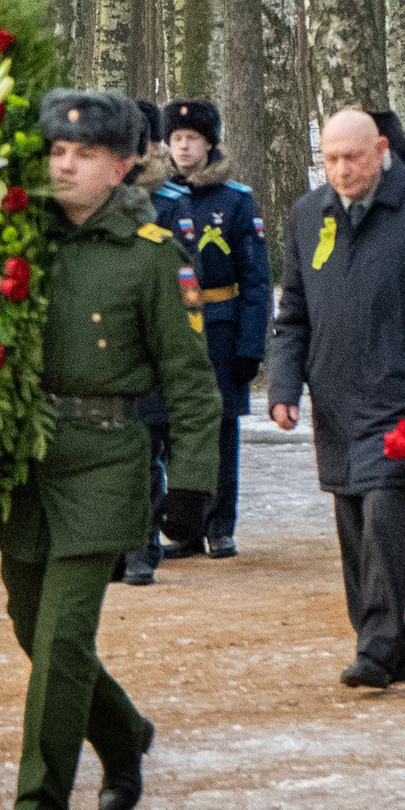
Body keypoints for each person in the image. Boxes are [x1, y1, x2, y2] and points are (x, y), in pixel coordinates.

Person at [0, 90, 222, 810]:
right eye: (56, 151)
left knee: (61, 638)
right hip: (27, 456)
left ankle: (39, 808)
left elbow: (191, 381)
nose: (64, 163)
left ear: (121, 166)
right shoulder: (19, 240)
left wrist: (192, 482)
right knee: (31, 624)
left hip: (105, 456)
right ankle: (123, 733)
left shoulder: (152, 252)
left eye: (84, 154)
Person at [263, 110, 405, 690]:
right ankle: (393, 647)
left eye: (352, 157)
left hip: (403, 397)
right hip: (335, 398)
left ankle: (377, 645)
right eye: (330, 158)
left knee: (384, 517)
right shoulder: (308, 214)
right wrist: (285, 386)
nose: (341, 170)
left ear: (381, 149)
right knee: (352, 526)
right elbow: (293, 316)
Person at [146, 99, 270, 560]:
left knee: (218, 428)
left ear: (209, 143)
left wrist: (250, 344)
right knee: (176, 427)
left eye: (191, 139)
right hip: (176, 326)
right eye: (176, 140)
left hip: (220, 326)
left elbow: (255, 278)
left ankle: (221, 524)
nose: (182, 148)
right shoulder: (158, 197)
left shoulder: (234, 199)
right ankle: (185, 527)